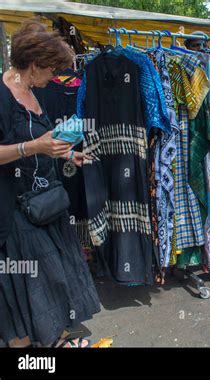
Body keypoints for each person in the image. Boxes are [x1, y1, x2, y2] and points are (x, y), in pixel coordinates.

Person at [0, 19, 100, 347]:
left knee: (54, 279)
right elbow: (26, 145)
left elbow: (41, 141)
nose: (54, 78)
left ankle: (53, 340)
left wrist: (65, 154)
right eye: (50, 70)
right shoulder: (2, 97)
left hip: (46, 204)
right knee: (29, 288)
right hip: (16, 213)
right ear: (33, 65)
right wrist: (35, 147)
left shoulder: (30, 90)